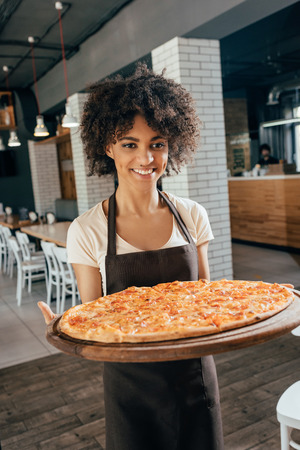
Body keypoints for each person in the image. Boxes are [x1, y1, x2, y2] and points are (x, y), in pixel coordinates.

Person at [39, 64, 224, 450]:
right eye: (130, 144)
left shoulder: (192, 215)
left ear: (171, 145)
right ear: (107, 147)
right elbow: (97, 320)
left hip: (194, 374)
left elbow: (208, 302)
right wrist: (69, 326)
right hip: (130, 385)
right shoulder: (87, 230)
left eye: (157, 143)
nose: (146, 158)